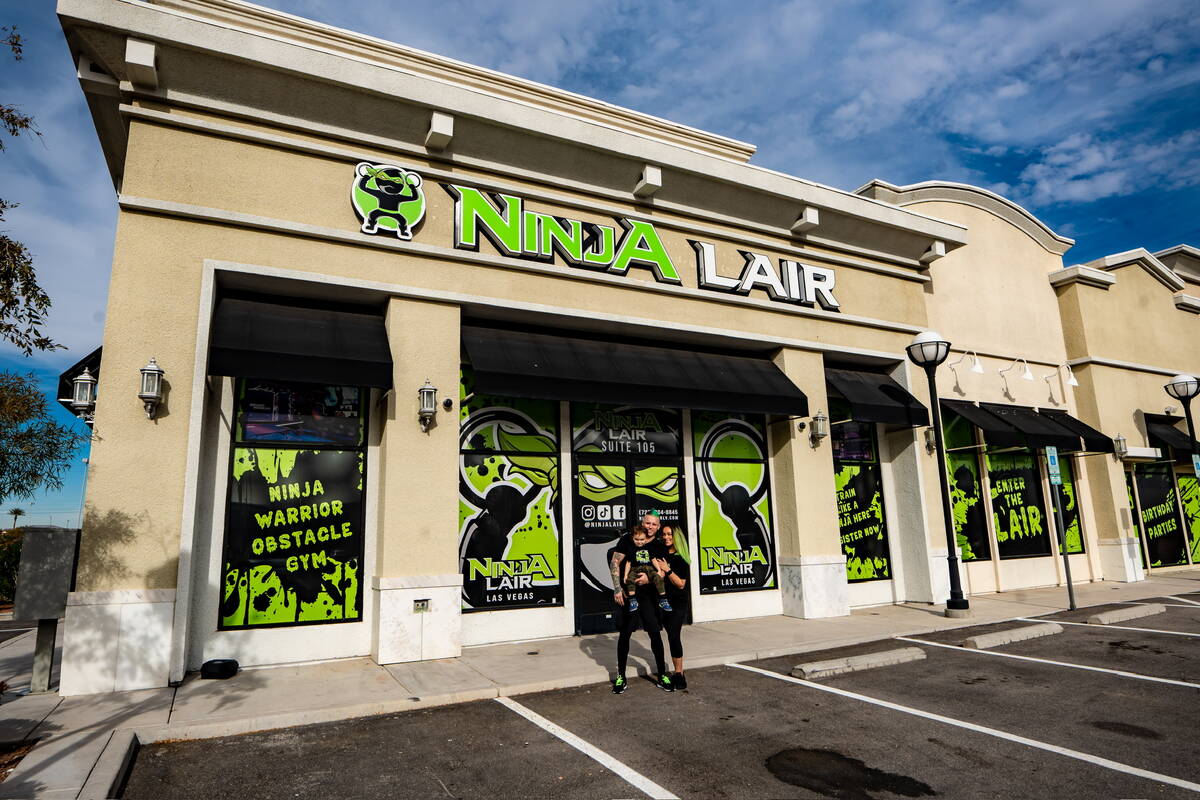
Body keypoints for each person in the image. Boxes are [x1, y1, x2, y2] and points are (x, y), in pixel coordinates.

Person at [610, 512, 673, 694]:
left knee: (654, 633)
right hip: (629, 596)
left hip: (649, 597)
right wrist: (616, 588)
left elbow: (662, 572)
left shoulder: (659, 546)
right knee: (625, 634)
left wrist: (649, 579)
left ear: (658, 526)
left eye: (654, 524)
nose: (650, 527)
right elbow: (615, 562)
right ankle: (620, 676)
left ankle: (662, 674)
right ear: (642, 523)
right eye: (647, 523)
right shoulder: (628, 540)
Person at [654, 523, 691, 690]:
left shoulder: (682, 557)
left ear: (676, 537)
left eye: (670, 534)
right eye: (664, 534)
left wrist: (667, 570)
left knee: (674, 635)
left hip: (678, 602)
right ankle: (671, 672)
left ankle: (679, 673)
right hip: (664, 601)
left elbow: (681, 584)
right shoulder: (661, 553)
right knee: (670, 635)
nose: (666, 537)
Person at [618, 525, 672, 613]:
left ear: (646, 539)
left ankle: (663, 599)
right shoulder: (631, 549)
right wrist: (625, 575)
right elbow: (628, 563)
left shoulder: (649, 548)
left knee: (658, 578)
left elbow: (653, 559)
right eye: (637, 539)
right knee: (630, 580)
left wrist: (658, 570)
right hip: (635, 569)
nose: (639, 542)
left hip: (648, 568)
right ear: (633, 538)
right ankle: (632, 600)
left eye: (642, 539)